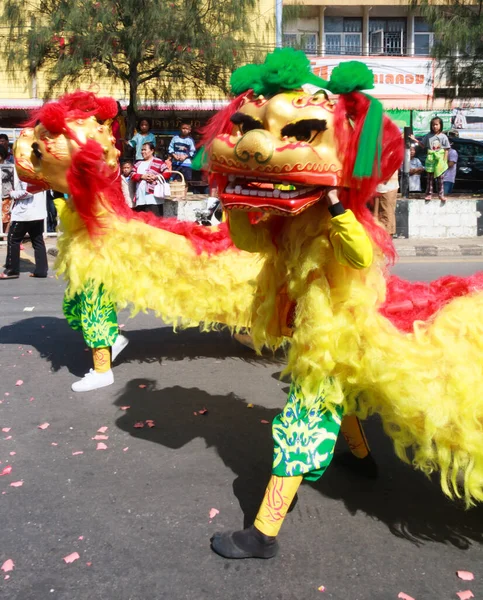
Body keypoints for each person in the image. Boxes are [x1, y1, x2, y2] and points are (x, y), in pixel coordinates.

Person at [1, 176, 48, 280]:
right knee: (38, 241)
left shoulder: (27, 172)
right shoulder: (40, 170)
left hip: (25, 214)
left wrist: (13, 194)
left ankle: (11, 270)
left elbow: (28, 192)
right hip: (37, 212)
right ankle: (41, 270)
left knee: (13, 240)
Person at [410, 117, 449, 202]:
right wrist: (415, 139)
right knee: (429, 178)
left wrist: (444, 161)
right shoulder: (428, 135)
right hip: (430, 159)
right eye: (433, 125)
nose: (435, 126)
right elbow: (423, 145)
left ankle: (441, 195)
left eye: (436, 124)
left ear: (440, 125)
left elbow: (446, 149)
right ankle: (429, 194)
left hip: (440, 160)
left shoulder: (444, 137)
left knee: (440, 179)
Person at [131, 142, 170, 216]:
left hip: (154, 199)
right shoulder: (138, 163)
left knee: (155, 221)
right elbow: (132, 175)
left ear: (152, 151)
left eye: (145, 150)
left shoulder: (159, 162)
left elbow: (167, 173)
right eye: (142, 150)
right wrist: (142, 176)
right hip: (140, 198)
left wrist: (156, 177)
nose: (142, 152)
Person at [168, 123, 196, 189]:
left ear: (190, 130)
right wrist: (174, 155)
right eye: (183, 128)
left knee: (186, 181)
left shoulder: (190, 140)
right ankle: (176, 195)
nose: (185, 130)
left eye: (187, 129)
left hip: (186, 164)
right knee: (175, 179)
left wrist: (185, 156)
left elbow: (193, 151)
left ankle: (184, 194)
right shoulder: (175, 138)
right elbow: (170, 148)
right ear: (180, 129)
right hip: (176, 163)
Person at [373, 169, 399, 237]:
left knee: (386, 217)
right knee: (374, 217)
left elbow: (393, 164)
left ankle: (387, 243)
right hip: (375, 187)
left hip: (387, 186)